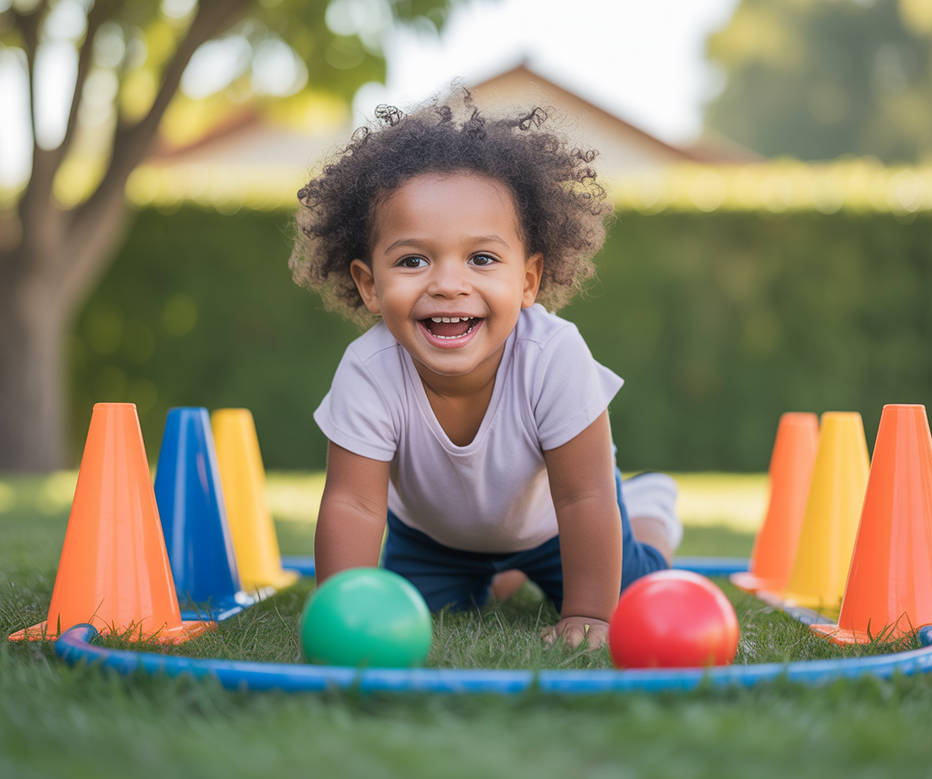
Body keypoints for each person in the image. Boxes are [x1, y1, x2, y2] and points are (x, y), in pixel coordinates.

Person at [290, 94, 681, 649]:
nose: (449, 283)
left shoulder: (553, 355)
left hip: (554, 524)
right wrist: (342, 613)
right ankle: (499, 571)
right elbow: (353, 503)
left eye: (481, 258)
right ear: (369, 284)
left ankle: (652, 510)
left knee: (637, 584)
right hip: (433, 537)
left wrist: (592, 613)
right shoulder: (368, 370)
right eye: (412, 260)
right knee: (424, 609)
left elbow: (584, 497)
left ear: (528, 280)